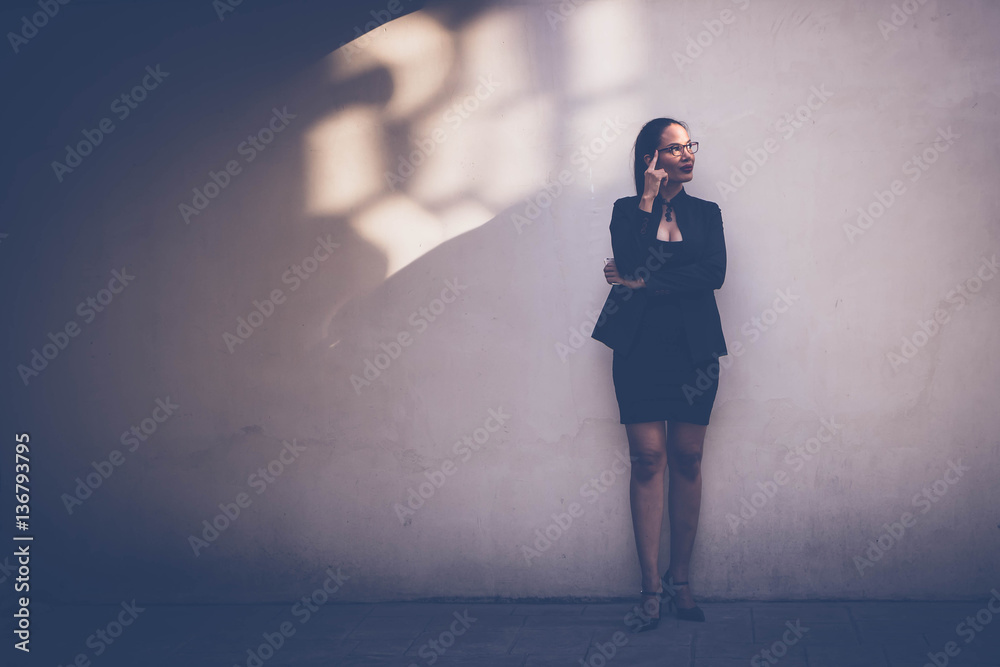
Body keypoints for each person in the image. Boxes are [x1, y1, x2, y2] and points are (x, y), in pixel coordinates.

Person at [590, 118, 729, 632]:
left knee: (688, 458)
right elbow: (627, 257)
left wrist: (642, 280)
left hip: (693, 348)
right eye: (675, 148)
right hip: (640, 348)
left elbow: (712, 273)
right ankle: (651, 587)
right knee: (648, 459)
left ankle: (682, 580)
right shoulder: (628, 211)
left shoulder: (708, 213)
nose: (688, 154)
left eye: (691, 145)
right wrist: (647, 202)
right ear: (652, 159)